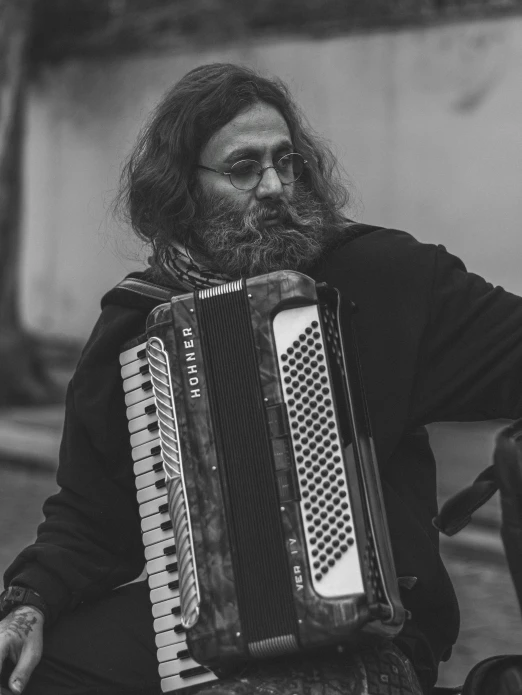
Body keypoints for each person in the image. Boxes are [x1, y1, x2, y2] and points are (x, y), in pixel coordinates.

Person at [1, 62, 522, 695]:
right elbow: (91, 512)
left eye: (287, 161)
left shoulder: (390, 279)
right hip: (202, 629)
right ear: (183, 191)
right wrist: (28, 600)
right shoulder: (139, 319)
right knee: (37, 673)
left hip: (377, 635)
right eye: (243, 168)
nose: (274, 185)